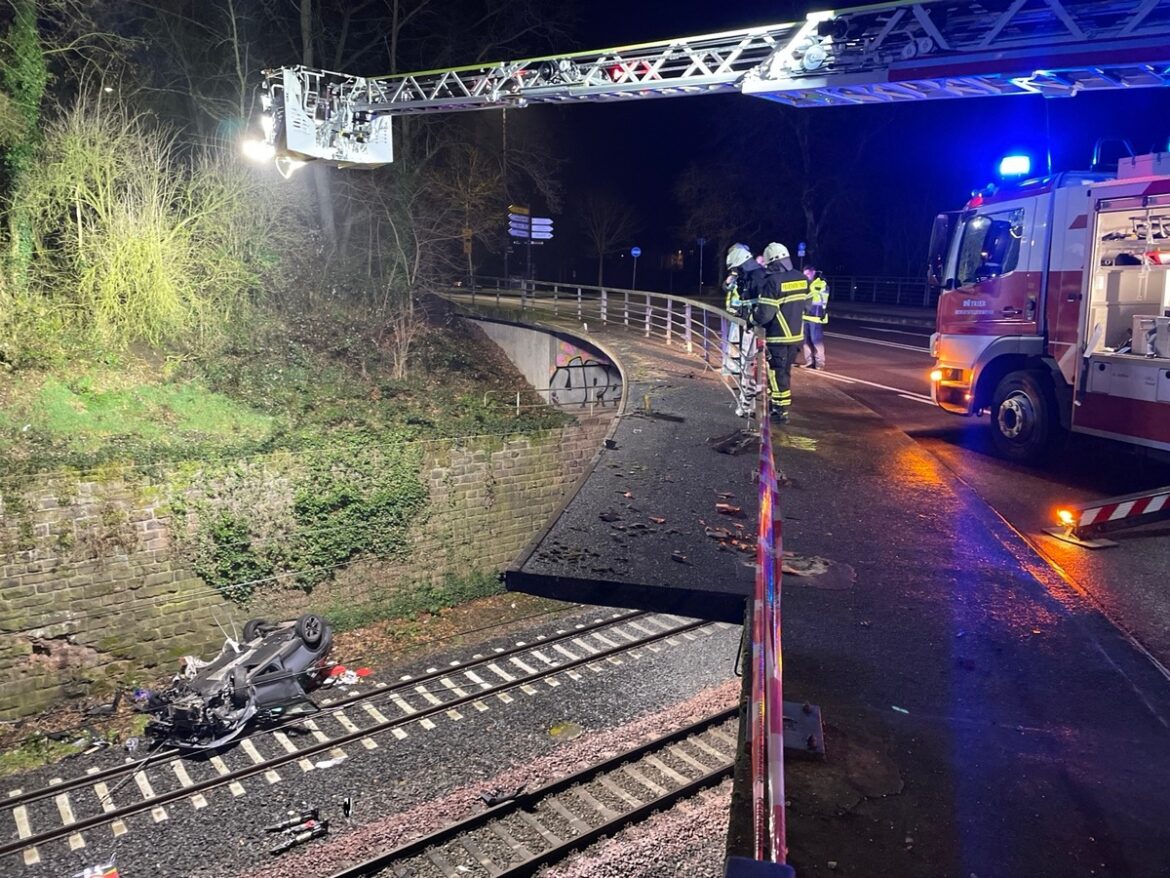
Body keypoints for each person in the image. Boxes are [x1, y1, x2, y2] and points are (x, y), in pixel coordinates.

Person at [755, 243, 810, 424]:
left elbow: (765, 315)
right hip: (796, 337)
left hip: (778, 336)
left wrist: (752, 319)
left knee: (776, 373)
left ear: (772, 262)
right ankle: (782, 407)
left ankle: (779, 411)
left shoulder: (773, 282)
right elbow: (808, 305)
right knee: (785, 372)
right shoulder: (802, 278)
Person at [724, 243, 767, 417]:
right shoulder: (747, 274)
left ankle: (748, 403)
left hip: (755, 327)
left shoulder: (757, 276)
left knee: (751, 365)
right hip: (747, 325)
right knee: (747, 365)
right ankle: (746, 402)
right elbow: (729, 289)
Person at [801, 265, 830, 369]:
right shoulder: (804, 284)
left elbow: (822, 300)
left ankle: (819, 363)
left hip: (815, 317)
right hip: (805, 316)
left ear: (813, 273)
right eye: (804, 274)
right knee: (806, 341)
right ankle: (809, 362)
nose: (806, 276)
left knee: (816, 341)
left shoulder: (820, 284)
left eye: (808, 274)